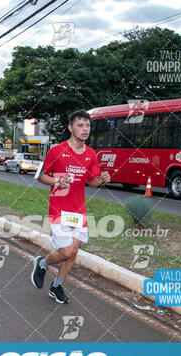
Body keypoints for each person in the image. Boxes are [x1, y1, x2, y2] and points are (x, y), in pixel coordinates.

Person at [31, 110, 110, 304]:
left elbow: (92, 182)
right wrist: (57, 181)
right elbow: (40, 176)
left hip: (78, 210)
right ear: (70, 128)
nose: (85, 129)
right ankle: (41, 263)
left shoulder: (91, 154)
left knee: (73, 252)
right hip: (59, 208)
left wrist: (102, 179)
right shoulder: (56, 151)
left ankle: (57, 286)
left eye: (87, 126)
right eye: (80, 125)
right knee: (66, 251)